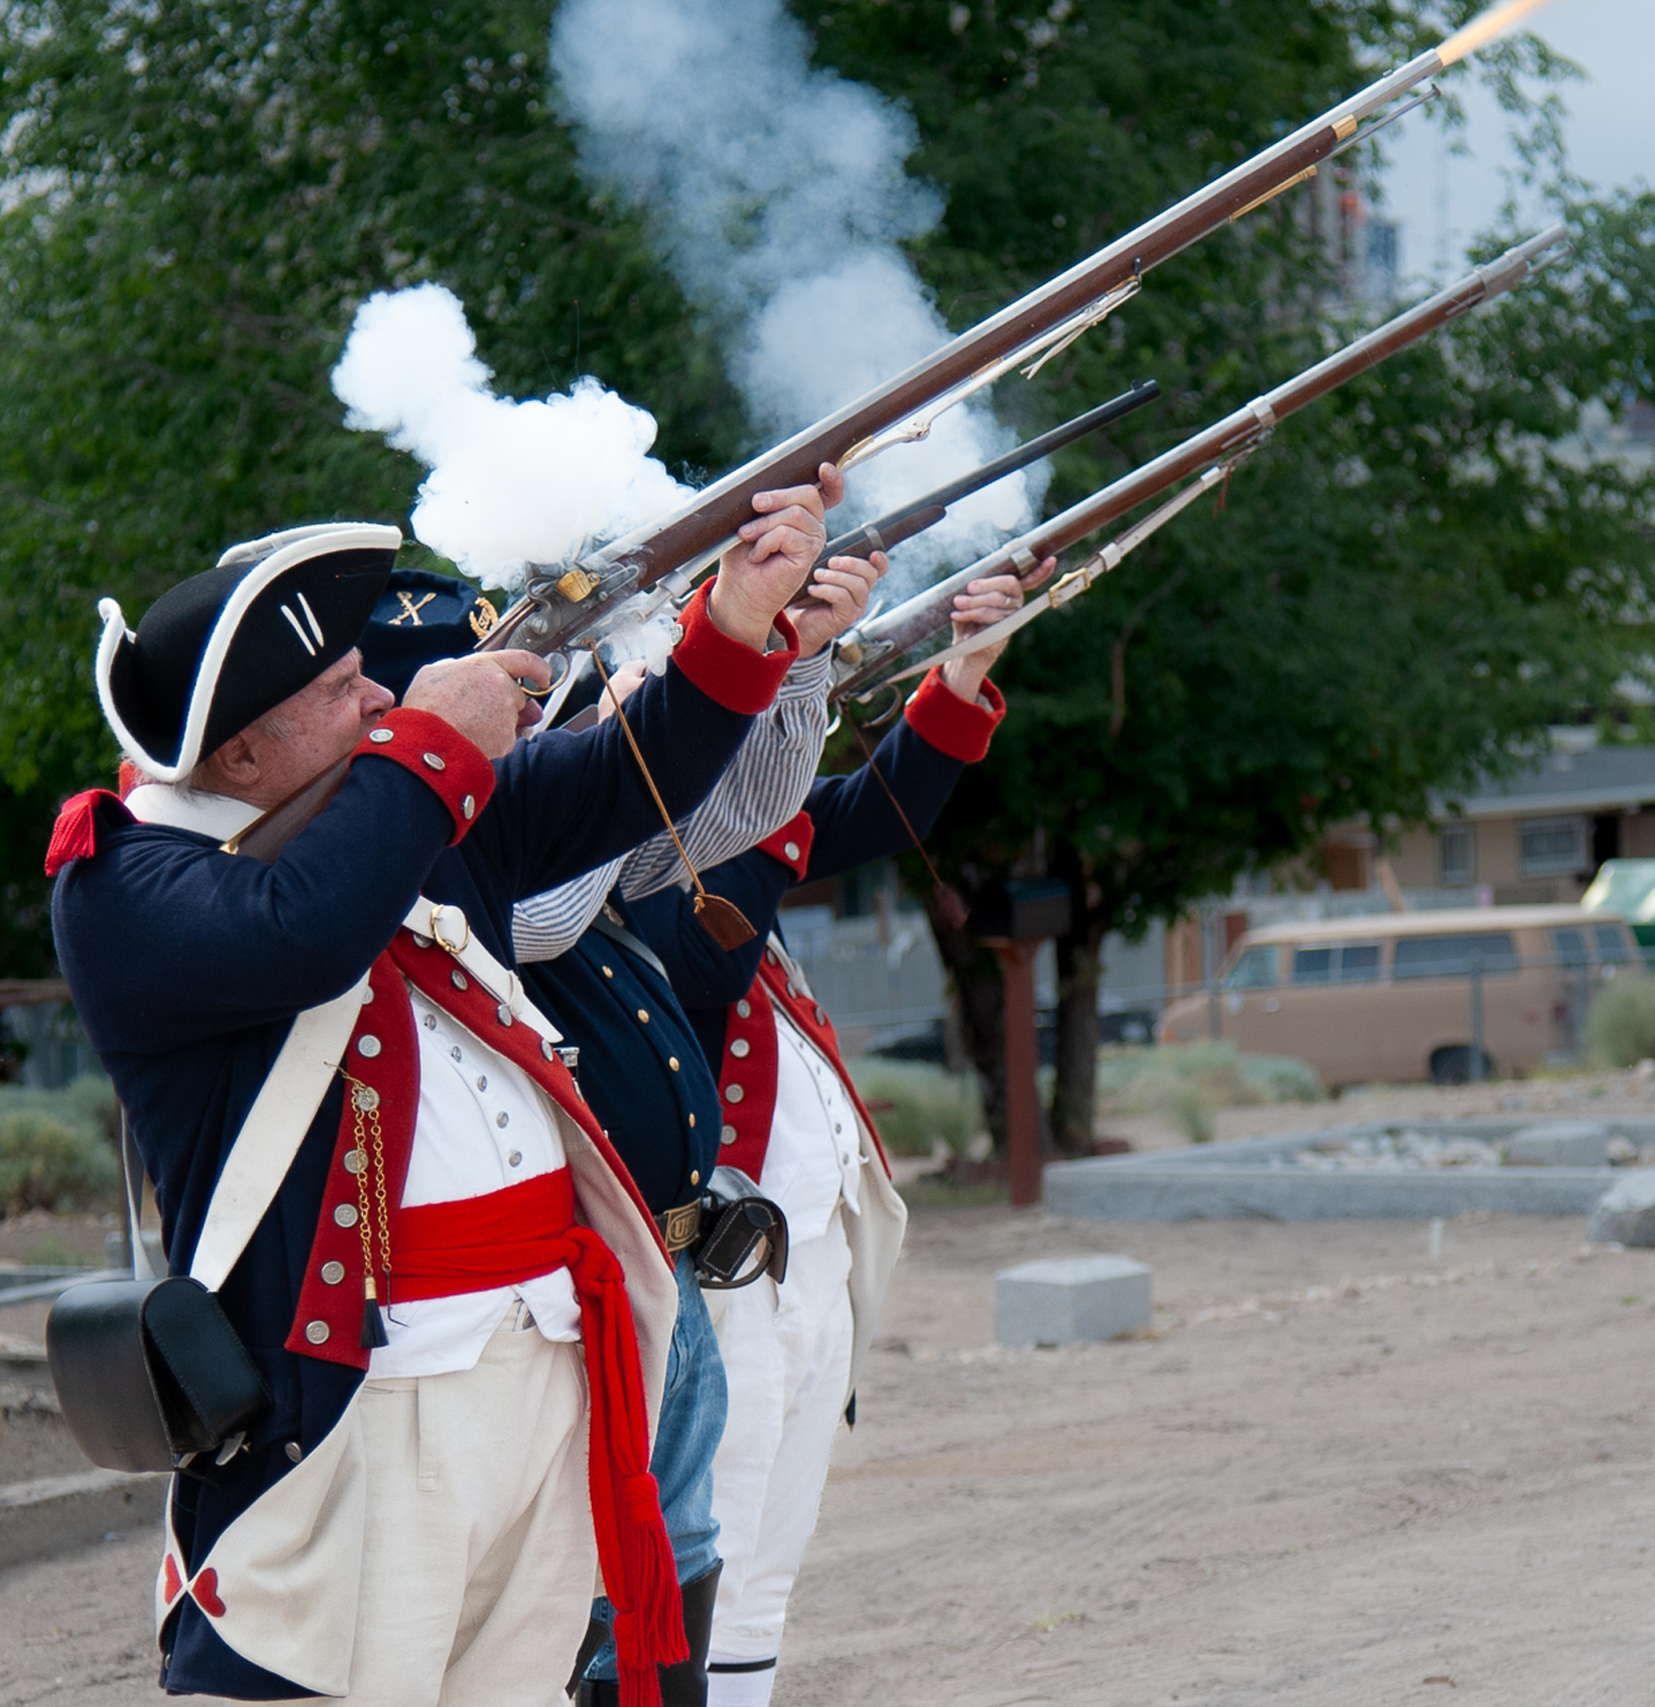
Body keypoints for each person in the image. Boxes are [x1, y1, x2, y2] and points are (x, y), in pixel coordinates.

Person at [47, 474, 828, 1707]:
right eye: (339, 692)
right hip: (359, 1404)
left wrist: (735, 622)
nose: (379, 698)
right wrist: (429, 742)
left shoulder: (398, 813)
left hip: (538, 1363)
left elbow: (639, 778)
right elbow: (299, 936)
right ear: (240, 751)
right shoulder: (125, 886)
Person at [506, 532, 897, 1707]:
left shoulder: (577, 841)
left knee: (689, 1567)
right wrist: (654, 725)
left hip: (678, 1263)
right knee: (582, 1594)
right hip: (604, 1279)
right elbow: (555, 909)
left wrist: (800, 657)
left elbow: (749, 814)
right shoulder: (485, 859)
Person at [626, 582, 1017, 1707]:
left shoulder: (734, 833)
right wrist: (783, 730)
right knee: (715, 1551)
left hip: (806, 1253)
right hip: (723, 1264)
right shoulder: (627, 855)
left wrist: (956, 671)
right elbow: (707, 953)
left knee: (768, 1569)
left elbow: (874, 816)